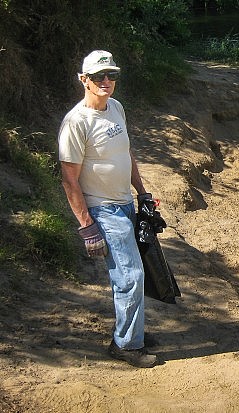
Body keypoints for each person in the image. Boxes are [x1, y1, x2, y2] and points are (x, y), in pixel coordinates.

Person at [58, 50, 158, 368]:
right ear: (83, 79)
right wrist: (87, 227)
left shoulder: (116, 107)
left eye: (111, 75)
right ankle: (126, 346)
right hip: (103, 211)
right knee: (130, 275)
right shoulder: (76, 123)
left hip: (126, 204)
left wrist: (142, 194)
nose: (106, 82)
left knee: (135, 274)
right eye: (99, 76)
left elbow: (126, 154)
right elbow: (69, 180)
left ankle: (132, 332)